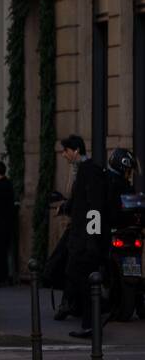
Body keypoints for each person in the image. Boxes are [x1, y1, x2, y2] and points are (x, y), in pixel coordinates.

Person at [58, 135, 118, 339]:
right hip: (84, 237)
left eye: (66, 151)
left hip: (86, 240)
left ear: (75, 150)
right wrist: (66, 207)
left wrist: (92, 239)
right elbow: (82, 203)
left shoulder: (88, 171)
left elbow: (94, 206)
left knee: (79, 276)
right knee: (79, 277)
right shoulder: (84, 171)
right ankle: (90, 322)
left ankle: (96, 316)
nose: (64, 155)